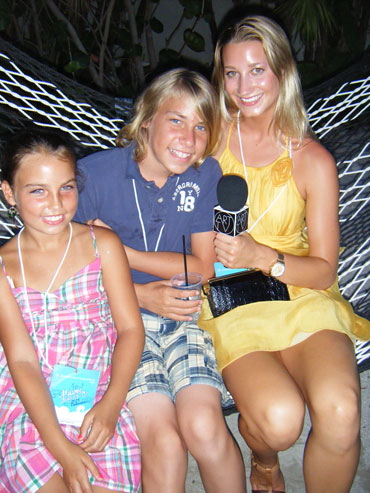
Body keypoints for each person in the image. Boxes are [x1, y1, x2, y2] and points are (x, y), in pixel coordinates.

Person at [198, 15, 370, 493]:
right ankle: (266, 460)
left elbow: (322, 271)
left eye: (257, 70)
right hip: (232, 296)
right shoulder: (205, 136)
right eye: (231, 73)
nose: (244, 86)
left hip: (298, 286)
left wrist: (263, 255)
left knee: (342, 411)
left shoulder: (312, 160)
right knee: (279, 419)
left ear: (281, 72)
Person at [74, 68, 246, 493]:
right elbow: (69, 272)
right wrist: (139, 295)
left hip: (183, 316)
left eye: (201, 126)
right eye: (176, 120)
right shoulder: (91, 177)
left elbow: (202, 267)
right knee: (165, 441)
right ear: (147, 118)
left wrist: (121, 252)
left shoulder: (205, 175)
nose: (188, 138)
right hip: (119, 322)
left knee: (204, 426)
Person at [0, 130, 144, 493]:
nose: (56, 204)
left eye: (66, 187)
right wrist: (58, 445)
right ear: (8, 193)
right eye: (37, 191)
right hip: (29, 402)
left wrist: (112, 405)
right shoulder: (3, 267)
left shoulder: (103, 245)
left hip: (97, 392)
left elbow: (130, 330)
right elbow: (21, 360)